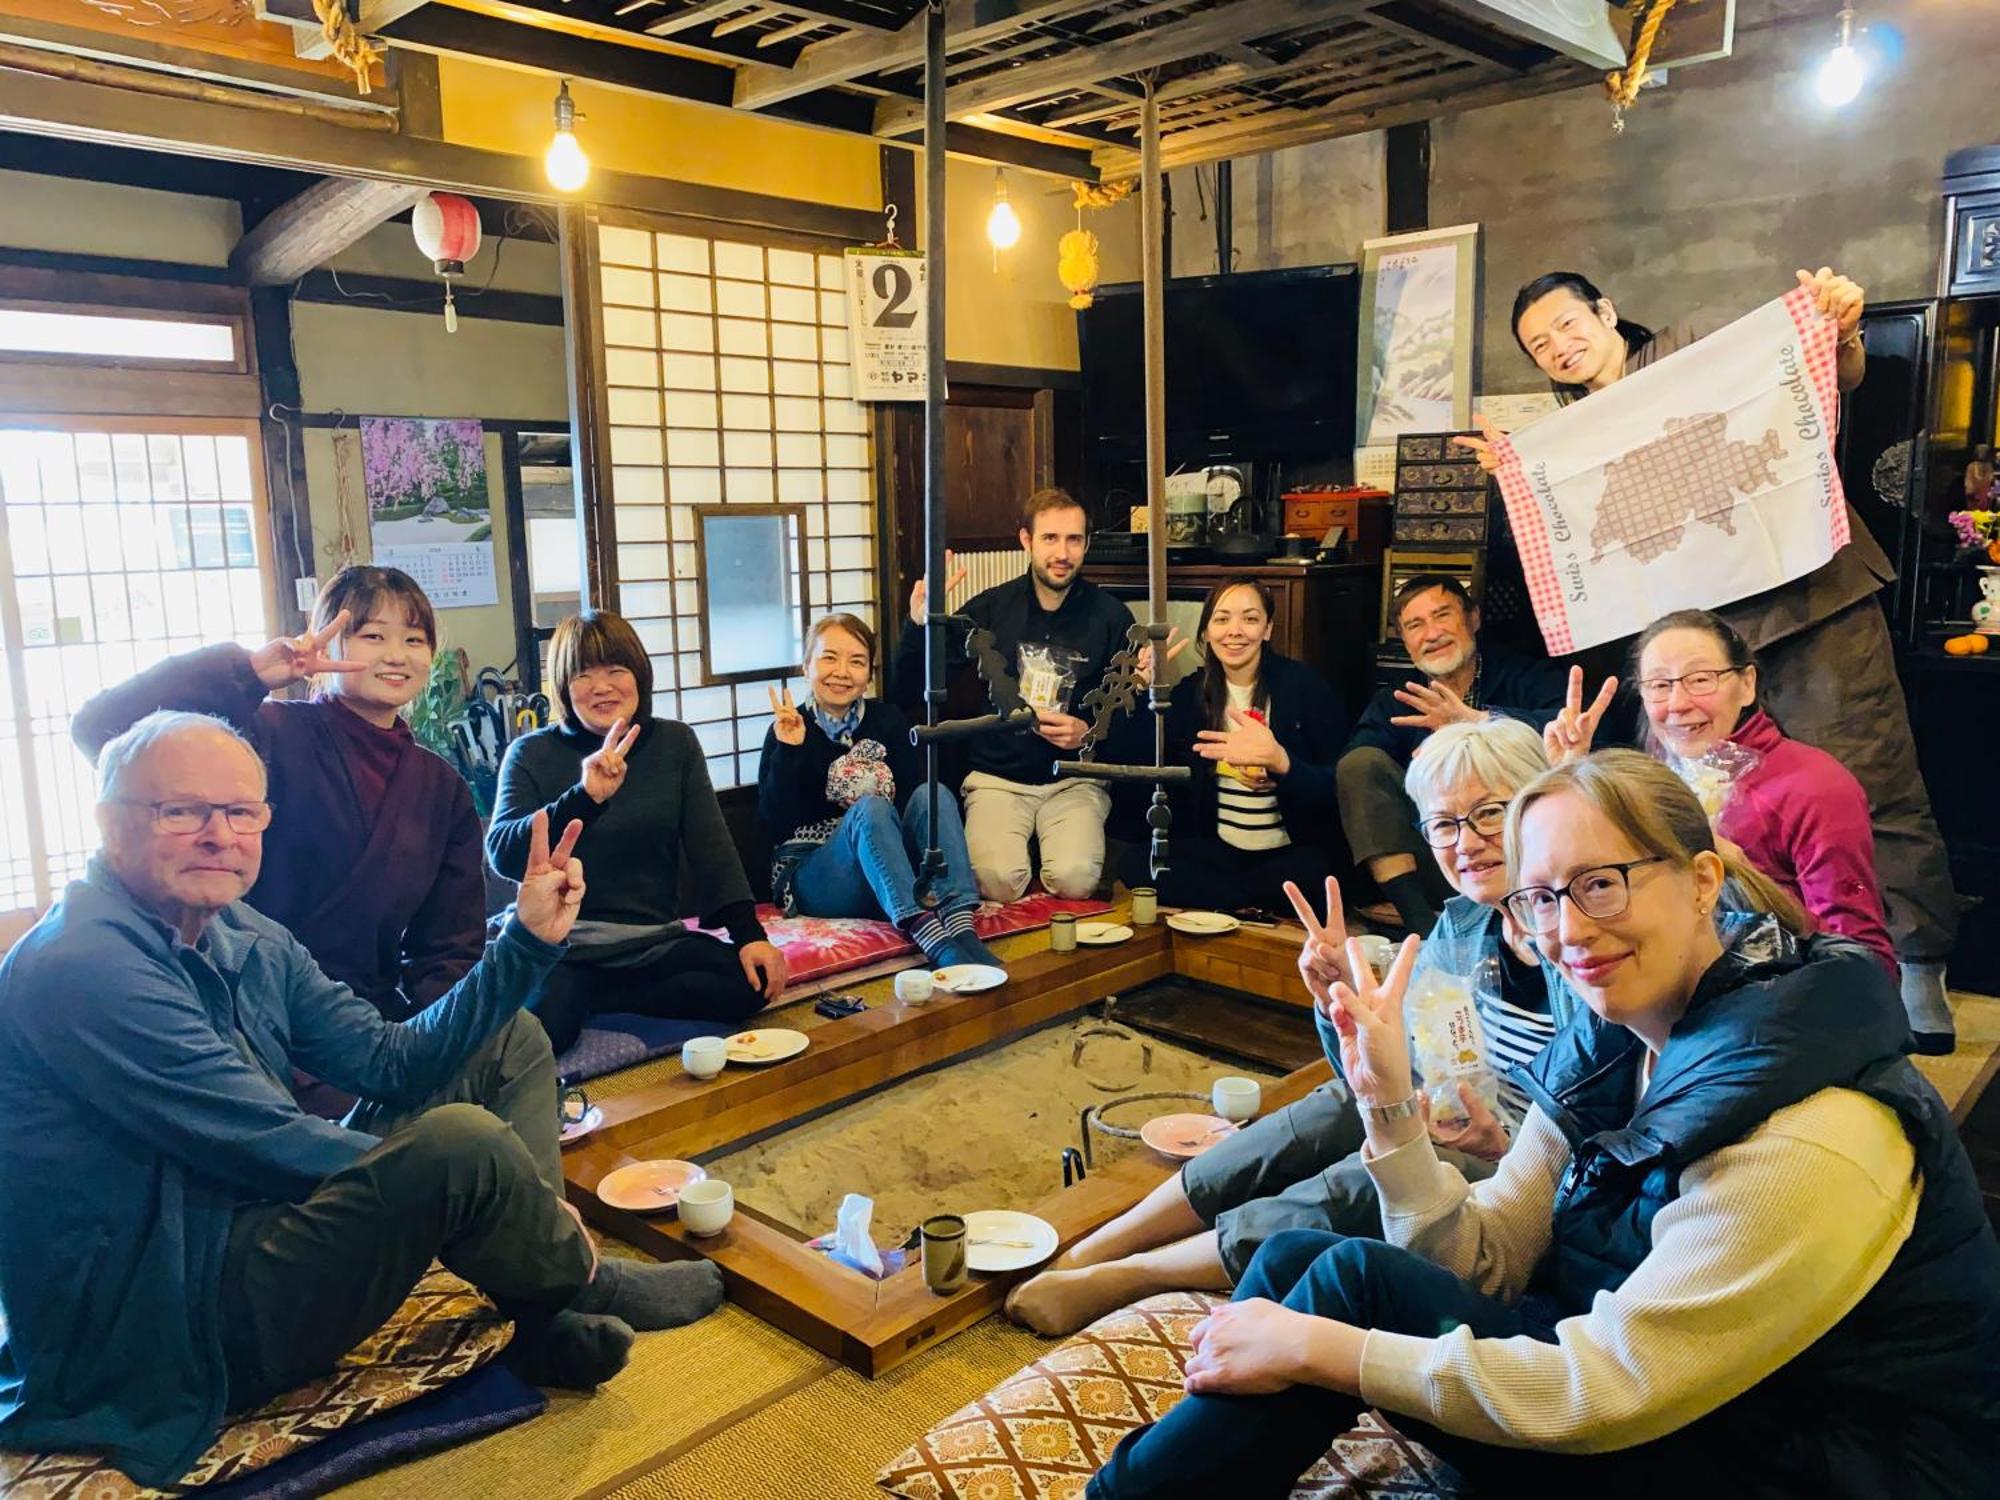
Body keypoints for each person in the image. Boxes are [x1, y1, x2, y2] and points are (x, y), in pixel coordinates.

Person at [1086, 751, 2000, 1500]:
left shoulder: (1812, 1134)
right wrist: (1389, 1104)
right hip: (1691, 1402)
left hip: (1803, 1464)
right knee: (1300, 1265)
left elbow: (1604, 1390)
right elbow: (1490, 1257)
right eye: (1540, 898)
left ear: (1701, 882)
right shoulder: (1610, 1037)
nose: (1568, 931)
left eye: (1600, 884)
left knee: (1340, 1298)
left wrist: (1332, 1352)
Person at [0, 713, 725, 1488]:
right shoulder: (83, 965)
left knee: (505, 1041)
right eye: (181, 811)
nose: (220, 834)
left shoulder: (241, 932)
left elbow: (388, 1060)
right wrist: (514, 1193)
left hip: (240, 1229)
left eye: (242, 812)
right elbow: (270, 1140)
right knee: (462, 1146)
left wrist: (527, 938)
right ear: (110, 822)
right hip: (165, 1314)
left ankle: (537, 1307)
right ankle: (575, 1279)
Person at [1460, 267, 1961, 1050]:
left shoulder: (1692, 350)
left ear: (1608, 312)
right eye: (1538, 345)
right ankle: (1733, 956)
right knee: (1695, 794)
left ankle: (1916, 955)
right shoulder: (1574, 439)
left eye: (1566, 324)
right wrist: (1521, 478)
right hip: (1694, 633)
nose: (1558, 346)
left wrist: (1840, 329)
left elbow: (1822, 369)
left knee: (1868, 769)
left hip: (1807, 599)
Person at [1008, 717, 1584, 1337]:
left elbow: (1610, 1125)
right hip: (1462, 1127)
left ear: (1540, 810)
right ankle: (1104, 1243)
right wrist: (1335, 998)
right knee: (1338, 1106)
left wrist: (1505, 1149)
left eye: (1489, 814)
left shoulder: (1586, 942)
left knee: (1380, 1168)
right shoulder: (1465, 926)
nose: (1465, 843)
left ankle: (1138, 1275)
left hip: (1535, 1176)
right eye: (1442, 824)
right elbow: (1383, 1078)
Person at [70, 565, 481, 1021]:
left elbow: (451, 946)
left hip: (365, 1024)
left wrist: (429, 1043)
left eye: (414, 640)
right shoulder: (265, 734)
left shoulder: (442, 789)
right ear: (327, 641)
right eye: (373, 636)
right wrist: (248, 675)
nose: (397, 656)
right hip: (237, 1007)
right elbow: (101, 729)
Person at [487, 610, 788, 1055]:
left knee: (747, 988)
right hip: (562, 948)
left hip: (651, 943)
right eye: (584, 674)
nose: (602, 686)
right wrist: (585, 796)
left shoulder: (674, 744)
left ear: (639, 676)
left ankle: (601, 999)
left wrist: (750, 936)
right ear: (565, 686)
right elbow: (503, 852)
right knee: (545, 1032)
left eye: (616, 670)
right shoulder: (530, 752)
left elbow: (713, 847)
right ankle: (583, 997)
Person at [892, 488, 1139, 902]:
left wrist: (1089, 733)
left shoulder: (1112, 616)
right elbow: (909, 687)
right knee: (995, 882)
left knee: (1076, 880)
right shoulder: (989, 609)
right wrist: (919, 625)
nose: (1062, 552)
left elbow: (1131, 723)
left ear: (1086, 544)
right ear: (1026, 540)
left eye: (1074, 539)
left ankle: (1055, 857)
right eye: (1050, 538)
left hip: (1076, 778)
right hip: (997, 777)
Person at [1631, 609, 1898, 979]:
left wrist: (1741, 872)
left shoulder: (1813, 786)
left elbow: (1864, 962)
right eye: (1659, 685)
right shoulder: (1654, 778)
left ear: (1746, 684)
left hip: (1774, 1012)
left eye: (1700, 679)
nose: (1677, 703)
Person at [757, 612, 999, 969]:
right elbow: (775, 824)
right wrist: (790, 749)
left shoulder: (886, 720)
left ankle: (961, 926)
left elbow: (910, 805)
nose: (841, 672)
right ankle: (930, 936)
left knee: (932, 794)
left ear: (869, 674)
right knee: (869, 808)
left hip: (886, 868)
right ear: (806, 666)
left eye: (856, 662)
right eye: (829, 658)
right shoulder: (789, 726)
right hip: (818, 875)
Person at [1336, 573, 1566, 933]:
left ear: (1472, 619)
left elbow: (1571, 730)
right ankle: (1422, 927)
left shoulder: (1523, 675)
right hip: (1438, 856)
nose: (1432, 634)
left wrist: (1478, 721)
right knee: (1360, 765)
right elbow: (1356, 770)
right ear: (1405, 640)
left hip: (1520, 856)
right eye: (1415, 625)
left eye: (1442, 615)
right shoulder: (1399, 698)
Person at [1141, 579, 1348, 912]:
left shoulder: (1304, 687)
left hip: (1288, 852)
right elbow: (1137, 758)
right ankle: (1244, 900)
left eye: (1250, 619)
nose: (1234, 631)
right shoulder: (1191, 693)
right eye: (1222, 619)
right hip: (1220, 850)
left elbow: (1338, 786)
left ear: (1267, 629)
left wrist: (1283, 763)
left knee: (1315, 875)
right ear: (1206, 632)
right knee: (1142, 866)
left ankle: (1231, 901)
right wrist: (1145, 688)